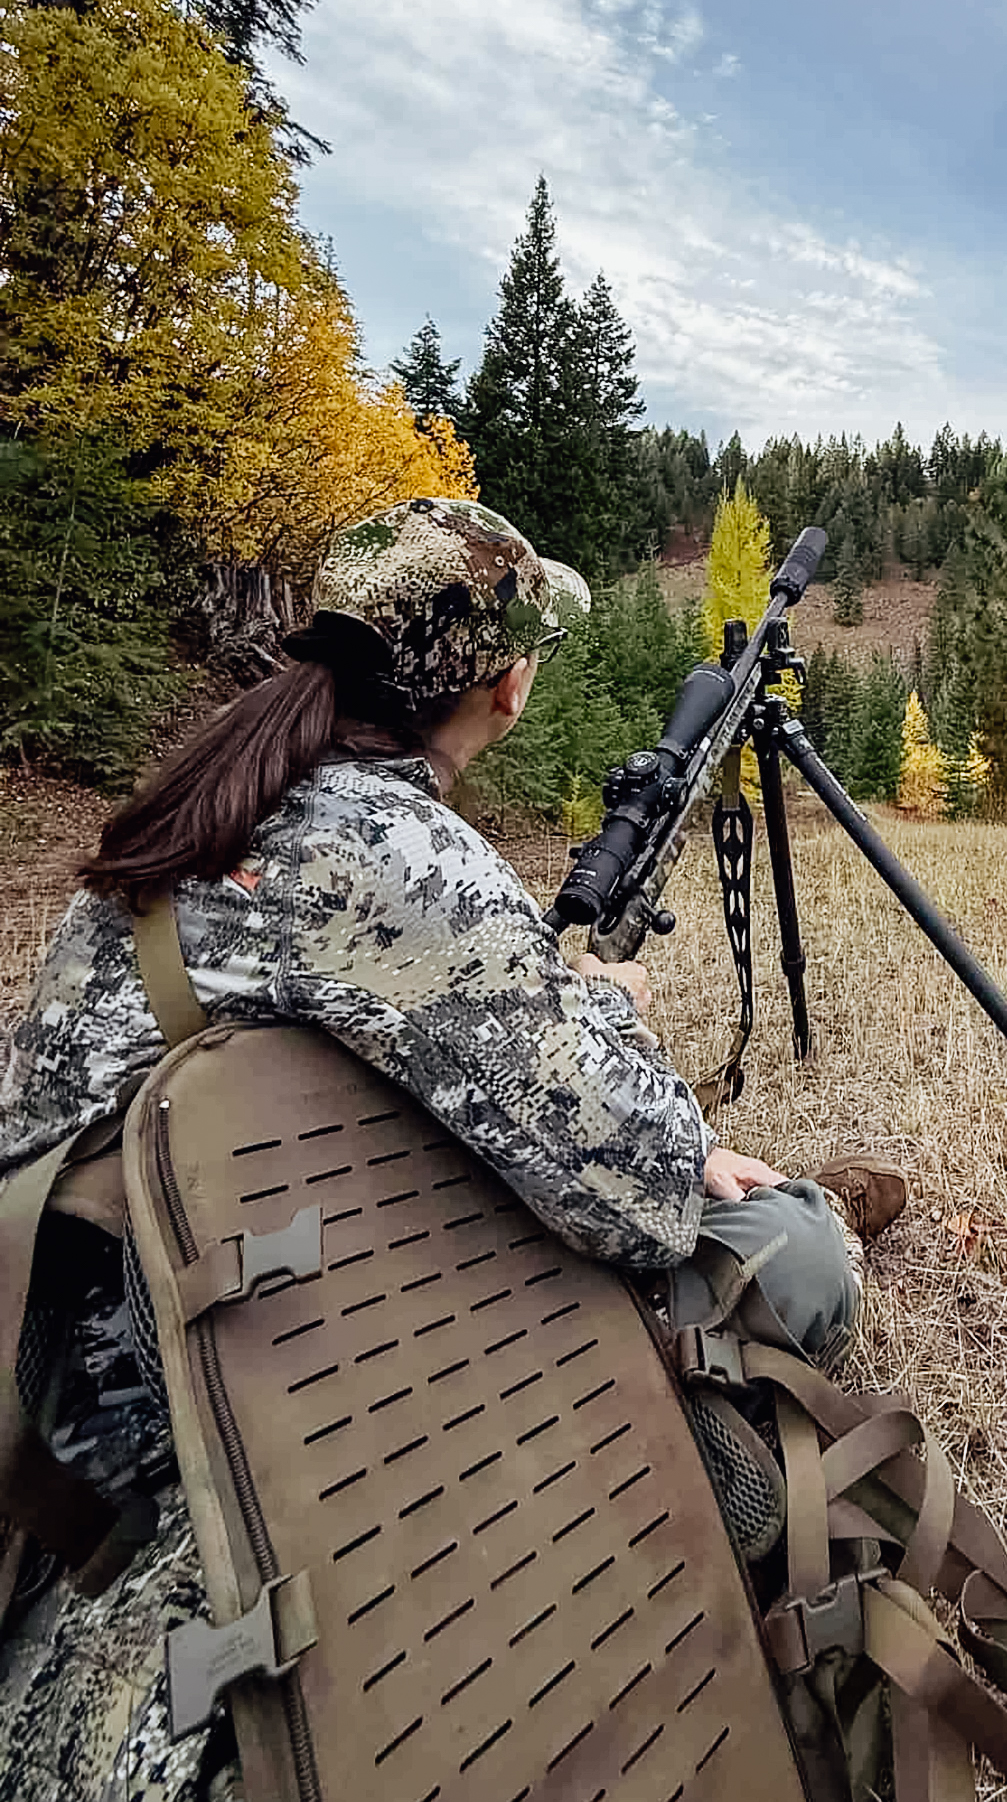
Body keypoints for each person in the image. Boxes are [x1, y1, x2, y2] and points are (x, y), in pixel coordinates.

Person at [0, 496, 905, 1802]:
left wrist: (550, 1007)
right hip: (210, 1411)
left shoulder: (204, 798)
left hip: (74, 1378)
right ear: (507, 678)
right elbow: (630, 1197)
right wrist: (614, 1037)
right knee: (797, 1244)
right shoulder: (393, 847)